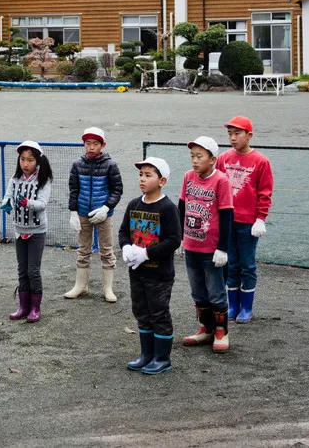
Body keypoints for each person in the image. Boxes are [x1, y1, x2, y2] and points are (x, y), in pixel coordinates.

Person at [120, 157, 181, 375]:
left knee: (159, 313)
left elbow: (174, 240)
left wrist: (146, 253)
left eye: (148, 175)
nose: (142, 179)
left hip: (159, 274)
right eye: (140, 175)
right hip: (137, 272)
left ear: (162, 180)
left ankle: (162, 357)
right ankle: (146, 354)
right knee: (141, 311)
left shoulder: (168, 208)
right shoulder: (133, 204)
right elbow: (123, 231)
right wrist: (126, 247)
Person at [179, 136, 234, 353]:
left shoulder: (221, 180)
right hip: (191, 245)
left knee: (216, 291)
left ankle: (221, 330)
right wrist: (179, 237)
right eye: (192, 156)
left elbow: (227, 214)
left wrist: (223, 248)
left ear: (213, 159)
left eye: (199, 156)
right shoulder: (188, 177)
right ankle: (206, 328)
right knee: (198, 291)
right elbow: (181, 206)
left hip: (211, 249)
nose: (194, 160)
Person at [217, 115, 274, 323]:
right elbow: (218, 188)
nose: (233, 138)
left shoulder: (261, 161)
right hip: (228, 220)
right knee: (231, 263)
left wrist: (260, 218)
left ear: (249, 135)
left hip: (248, 223)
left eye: (237, 133)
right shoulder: (223, 158)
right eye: (230, 134)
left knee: (247, 264)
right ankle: (233, 305)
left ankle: (246, 307)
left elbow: (265, 192)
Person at [64, 127, 123, 302]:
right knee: (83, 249)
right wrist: (73, 212)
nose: (91, 147)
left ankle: (108, 288)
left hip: (103, 214)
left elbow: (117, 190)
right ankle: (81, 285)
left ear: (102, 145)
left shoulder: (110, 165)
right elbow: (73, 190)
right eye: (88, 143)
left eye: (95, 144)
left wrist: (106, 208)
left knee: (106, 249)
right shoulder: (77, 165)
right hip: (83, 212)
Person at [1, 141, 53, 323]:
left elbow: (42, 204)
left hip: (37, 231)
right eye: (22, 159)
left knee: (33, 270)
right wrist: (6, 204)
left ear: (37, 161)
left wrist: (27, 203)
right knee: (22, 269)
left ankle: (35, 308)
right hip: (19, 229)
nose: (25, 164)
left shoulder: (43, 180)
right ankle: (23, 307)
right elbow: (7, 196)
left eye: (30, 160)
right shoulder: (15, 179)